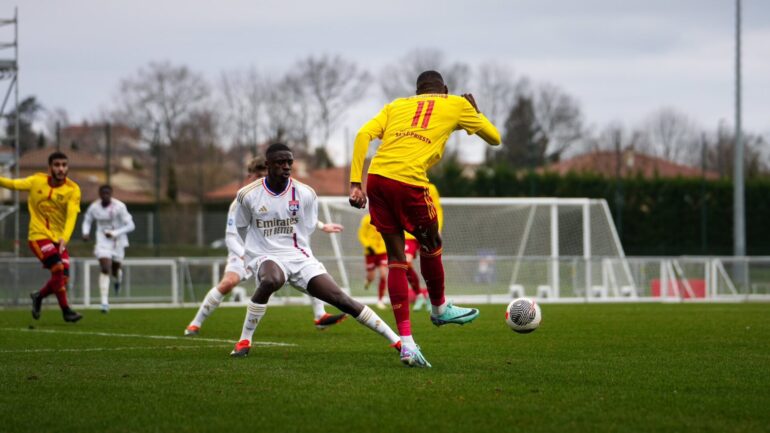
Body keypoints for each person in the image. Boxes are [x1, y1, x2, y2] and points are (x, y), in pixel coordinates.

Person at [349, 70, 501, 367]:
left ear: (417, 92)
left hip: (377, 180)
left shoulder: (396, 106)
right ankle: (439, 308)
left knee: (395, 260)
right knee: (432, 244)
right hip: (407, 181)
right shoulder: (455, 103)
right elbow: (495, 139)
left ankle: (406, 343)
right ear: (443, 89)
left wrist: (356, 182)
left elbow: (362, 134)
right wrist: (476, 113)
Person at [229, 143, 401, 359]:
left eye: (289, 162)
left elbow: (308, 226)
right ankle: (245, 339)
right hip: (266, 255)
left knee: (341, 299)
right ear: (269, 164)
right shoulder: (247, 195)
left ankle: (398, 342)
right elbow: (242, 227)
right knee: (271, 280)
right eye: (280, 162)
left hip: (299, 257)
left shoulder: (306, 193)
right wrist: (254, 256)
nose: (286, 166)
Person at [184, 156, 347, 337]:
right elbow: (231, 238)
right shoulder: (242, 201)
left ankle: (320, 315)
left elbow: (293, 215)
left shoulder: (278, 195)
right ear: (250, 176)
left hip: (270, 252)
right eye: (259, 175)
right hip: (243, 253)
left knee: (309, 271)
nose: (264, 179)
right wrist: (246, 257)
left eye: (266, 175)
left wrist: (322, 226)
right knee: (228, 283)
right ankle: (195, 323)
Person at [0, 151, 83, 322]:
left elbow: (71, 217)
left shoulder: (73, 190)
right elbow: (13, 184)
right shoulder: (36, 181)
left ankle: (39, 296)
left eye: (64, 165)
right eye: (57, 165)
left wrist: (64, 238)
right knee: (58, 269)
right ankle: (66, 310)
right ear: (50, 167)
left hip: (59, 239)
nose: (61, 169)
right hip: (38, 236)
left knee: (63, 278)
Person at [82, 184, 136, 313]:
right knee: (105, 268)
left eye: (108, 193)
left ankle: (118, 279)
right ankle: (104, 302)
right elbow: (87, 220)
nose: (105, 195)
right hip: (102, 241)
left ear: (111, 194)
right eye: (103, 193)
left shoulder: (120, 206)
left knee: (115, 269)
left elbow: (131, 226)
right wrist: (85, 232)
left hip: (118, 241)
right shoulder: (94, 207)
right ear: (100, 194)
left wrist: (115, 233)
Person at [405, 182, 443, 312]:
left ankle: (432, 298)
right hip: (409, 233)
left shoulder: (430, 188)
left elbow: (437, 208)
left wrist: (438, 228)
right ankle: (420, 295)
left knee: (430, 264)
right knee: (405, 263)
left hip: (426, 229)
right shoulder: (402, 184)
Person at [357, 213, 388, 309]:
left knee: (383, 275)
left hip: (382, 251)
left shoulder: (385, 217)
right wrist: (367, 245)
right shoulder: (366, 219)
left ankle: (380, 300)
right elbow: (361, 234)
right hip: (370, 252)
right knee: (371, 276)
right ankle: (368, 281)